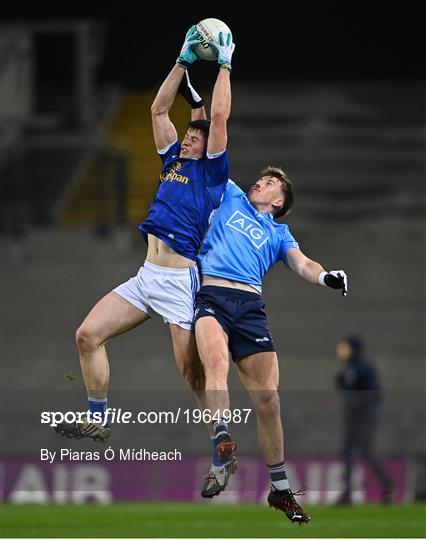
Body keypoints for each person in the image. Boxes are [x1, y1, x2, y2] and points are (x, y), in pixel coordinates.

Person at [53, 26, 235, 445]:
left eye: (194, 135)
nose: (188, 137)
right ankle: (97, 418)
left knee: (192, 375)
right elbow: (157, 110)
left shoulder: (211, 172)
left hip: (179, 282)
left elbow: (218, 117)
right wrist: (182, 61)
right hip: (146, 276)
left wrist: (224, 64)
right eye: (188, 133)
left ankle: (219, 446)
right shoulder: (173, 157)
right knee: (87, 336)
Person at [194, 169, 348, 523]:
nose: (259, 183)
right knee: (215, 365)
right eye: (260, 179)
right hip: (212, 296)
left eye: (269, 183)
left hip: (249, 309)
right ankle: (222, 444)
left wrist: (326, 277)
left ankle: (279, 489)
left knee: (269, 402)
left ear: (278, 201)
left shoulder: (279, 233)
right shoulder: (231, 195)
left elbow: (304, 264)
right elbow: (213, 156)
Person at [335, 335, 394, 504]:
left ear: (352, 349)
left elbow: (375, 392)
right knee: (346, 452)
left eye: (343, 347)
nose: (340, 350)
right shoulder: (349, 368)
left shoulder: (363, 367)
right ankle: (347, 493)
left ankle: (388, 486)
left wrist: (358, 404)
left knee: (366, 451)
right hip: (353, 417)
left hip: (365, 416)